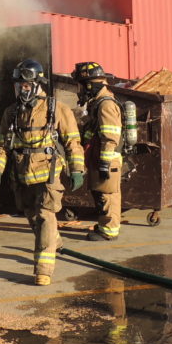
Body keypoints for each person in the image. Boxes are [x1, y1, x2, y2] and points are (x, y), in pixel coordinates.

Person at [0, 59, 85, 286]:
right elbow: (2, 145)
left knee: (45, 216)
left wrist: (77, 169)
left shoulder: (57, 109)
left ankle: (43, 270)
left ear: (37, 84)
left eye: (25, 85)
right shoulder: (11, 112)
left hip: (48, 174)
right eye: (18, 85)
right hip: (22, 175)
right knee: (33, 217)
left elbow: (73, 142)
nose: (21, 90)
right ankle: (54, 241)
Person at [72, 61, 123, 241]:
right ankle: (104, 224)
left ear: (89, 85)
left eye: (81, 85)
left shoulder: (106, 105)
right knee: (101, 194)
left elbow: (110, 136)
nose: (80, 90)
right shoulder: (98, 103)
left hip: (106, 158)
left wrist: (104, 162)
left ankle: (109, 231)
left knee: (107, 195)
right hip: (98, 156)